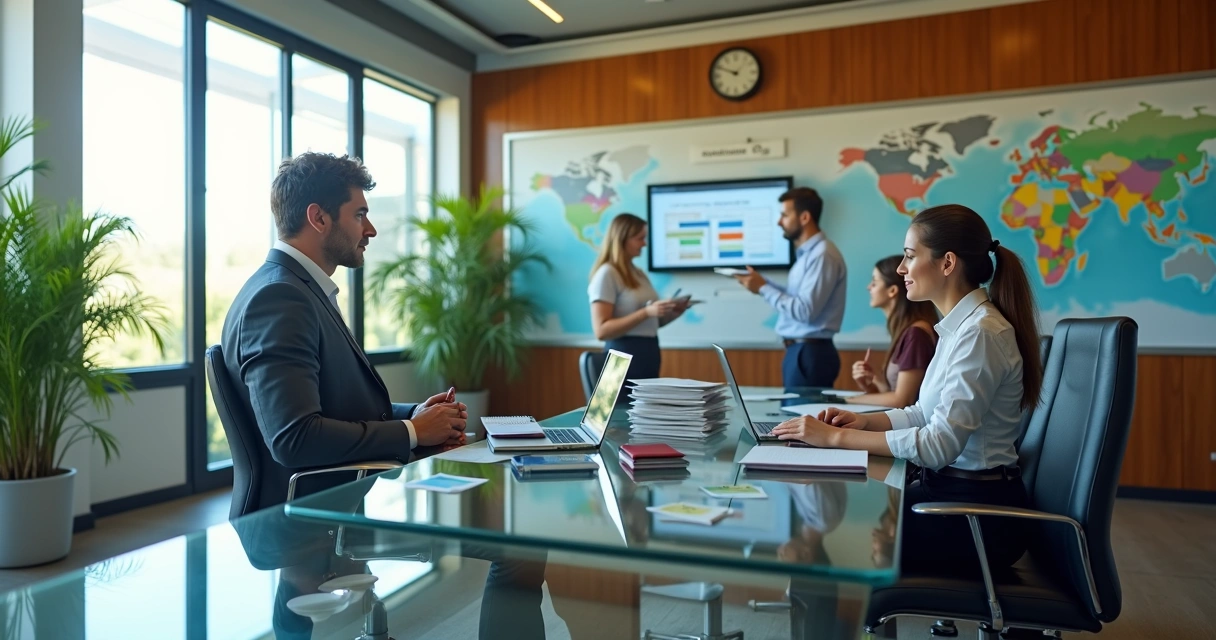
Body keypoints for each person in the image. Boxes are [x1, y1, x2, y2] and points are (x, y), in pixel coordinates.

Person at [771, 204, 1043, 573]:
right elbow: (920, 413)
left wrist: (834, 440)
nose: (901, 269)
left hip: (977, 516)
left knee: (859, 544)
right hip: (953, 496)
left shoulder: (980, 333)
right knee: (865, 521)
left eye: (910, 256)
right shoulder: (958, 329)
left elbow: (938, 444)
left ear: (947, 263)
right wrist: (863, 422)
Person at [220, 152, 468, 509]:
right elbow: (295, 438)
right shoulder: (280, 298)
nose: (370, 230)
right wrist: (413, 433)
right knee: (510, 543)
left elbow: (334, 406)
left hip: (338, 502)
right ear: (318, 218)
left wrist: (415, 416)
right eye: (360, 215)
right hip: (308, 522)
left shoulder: (298, 289)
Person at [734, 187, 847, 389]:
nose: (779, 222)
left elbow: (805, 311)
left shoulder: (822, 256)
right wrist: (762, 283)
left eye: (784, 215)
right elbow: (796, 298)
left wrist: (763, 288)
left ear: (804, 217)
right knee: (793, 417)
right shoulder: (809, 255)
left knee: (799, 419)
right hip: (802, 351)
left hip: (810, 353)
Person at [588, 213, 689, 380]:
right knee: (609, 406)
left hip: (648, 353)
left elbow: (648, 324)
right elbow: (601, 331)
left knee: (645, 407)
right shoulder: (607, 273)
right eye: (639, 238)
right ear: (623, 239)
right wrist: (646, 312)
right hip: (619, 357)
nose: (644, 243)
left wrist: (672, 312)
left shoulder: (638, 273)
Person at [847, 255, 938, 408]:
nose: (868, 287)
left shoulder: (916, 334)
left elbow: (902, 400)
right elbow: (892, 393)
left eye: (874, 283)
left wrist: (847, 400)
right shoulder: (906, 330)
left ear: (893, 291)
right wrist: (869, 383)